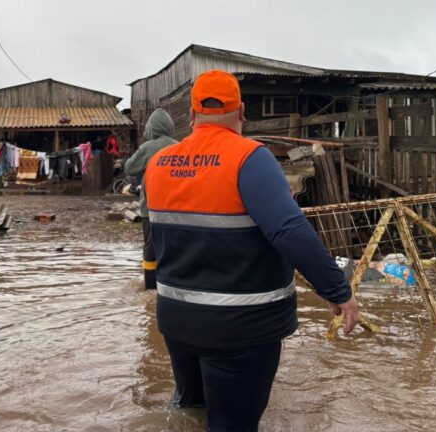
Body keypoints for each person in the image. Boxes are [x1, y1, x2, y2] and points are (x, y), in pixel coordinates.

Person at [144, 70, 359, 431]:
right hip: (239, 327)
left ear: (193, 115)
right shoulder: (250, 158)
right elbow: (290, 231)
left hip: (176, 320)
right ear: (242, 112)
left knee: (190, 411)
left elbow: (167, 235)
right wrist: (338, 291)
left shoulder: (159, 164)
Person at [125, 108, 178, 290]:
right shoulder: (179, 146)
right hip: (177, 208)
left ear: (151, 128)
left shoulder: (148, 148)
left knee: (150, 249)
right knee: (173, 247)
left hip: (150, 209)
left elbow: (130, 168)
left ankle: (150, 290)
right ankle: (171, 285)